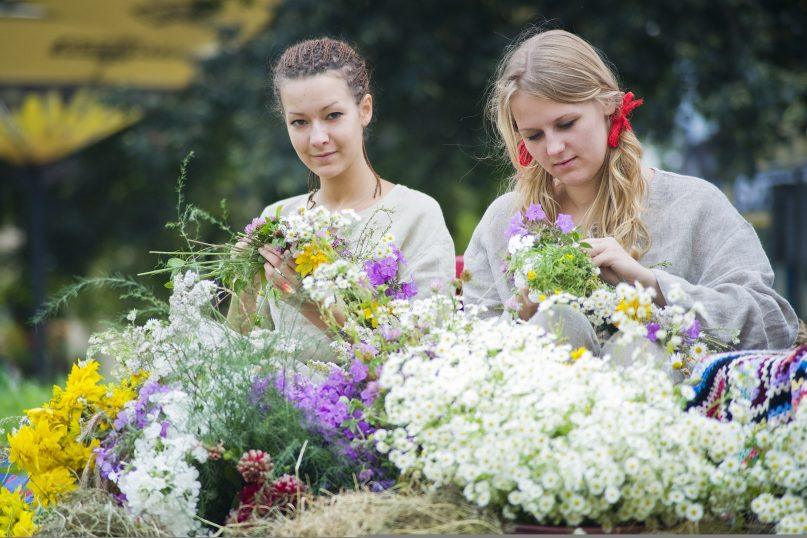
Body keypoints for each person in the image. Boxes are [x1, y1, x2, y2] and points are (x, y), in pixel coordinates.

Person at [463, 29, 798, 360]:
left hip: (668, 409)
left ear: (608, 105)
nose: (554, 148)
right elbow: (466, 351)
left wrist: (653, 286)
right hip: (539, 409)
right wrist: (523, 317)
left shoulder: (692, 204)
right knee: (558, 322)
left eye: (566, 124)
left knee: (640, 349)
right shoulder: (503, 223)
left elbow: (773, 323)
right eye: (534, 135)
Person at [228, 37, 455, 361]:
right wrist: (244, 283)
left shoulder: (416, 214)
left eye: (333, 115)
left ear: (364, 110)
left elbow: (426, 356)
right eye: (300, 122)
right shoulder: (277, 218)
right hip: (283, 408)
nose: (318, 138)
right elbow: (238, 356)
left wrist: (314, 305)